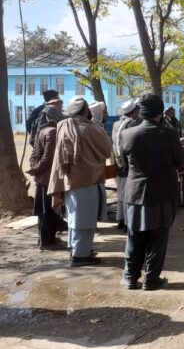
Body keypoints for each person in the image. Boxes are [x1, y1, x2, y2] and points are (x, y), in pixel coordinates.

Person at [120, 94, 184, 290]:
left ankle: (130, 277)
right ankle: (151, 279)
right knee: (158, 236)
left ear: (141, 112)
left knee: (134, 236)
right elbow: (180, 161)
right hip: (163, 192)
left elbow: (123, 164)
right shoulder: (169, 134)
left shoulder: (127, 134)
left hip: (135, 192)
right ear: (160, 112)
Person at [48, 95, 112, 267]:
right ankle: (80, 256)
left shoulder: (62, 125)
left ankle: (76, 248)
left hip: (68, 179)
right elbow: (107, 150)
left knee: (74, 217)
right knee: (84, 219)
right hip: (87, 179)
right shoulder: (91, 128)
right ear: (85, 111)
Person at [28, 100, 67, 250]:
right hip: (49, 177)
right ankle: (47, 242)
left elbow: (34, 154)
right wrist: (37, 168)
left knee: (43, 211)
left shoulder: (41, 130)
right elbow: (48, 158)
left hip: (41, 177)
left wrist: (34, 167)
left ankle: (44, 239)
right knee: (49, 211)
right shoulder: (52, 131)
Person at [112, 99, 141, 230]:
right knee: (127, 195)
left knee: (121, 193)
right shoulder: (132, 124)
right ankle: (127, 223)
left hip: (118, 163)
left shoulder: (116, 123)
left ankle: (120, 219)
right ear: (133, 112)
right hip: (128, 164)